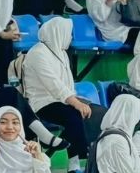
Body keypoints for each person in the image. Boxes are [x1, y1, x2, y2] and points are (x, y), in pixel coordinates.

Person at [23, 17, 98, 164]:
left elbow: (67, 84)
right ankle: (77, 161)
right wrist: (75, 103)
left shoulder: (61, 52)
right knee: (74, 115)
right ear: (58, 33)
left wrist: (77, 100)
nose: (70, 38)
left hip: (61, 100)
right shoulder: (37, 53)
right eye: (68, 33)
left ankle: (86, 156)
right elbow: (54, 84)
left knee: (97, 112)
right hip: (41, 103)